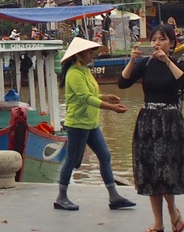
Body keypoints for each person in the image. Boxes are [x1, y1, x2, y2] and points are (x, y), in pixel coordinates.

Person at [116, 25, 184, 232]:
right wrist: (132, 61)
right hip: (149, 121)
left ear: (171, 43)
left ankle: (172, 209)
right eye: (154, 39)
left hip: (170, 123)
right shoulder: (145, 63)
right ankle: (158, 222)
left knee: (166, 170)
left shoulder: (177, 63)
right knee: (151, 171)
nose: (157, 43)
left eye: (162, 39)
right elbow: (122, 83)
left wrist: (167, 61)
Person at [53, 37, 135, 212]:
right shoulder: (74, 73)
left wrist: (105, 97)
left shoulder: (85, 71)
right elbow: (85, 98)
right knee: (72, 160)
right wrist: (111, 108)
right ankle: (61, 197)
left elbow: (91, 94)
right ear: (79, 54)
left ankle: (114, 196)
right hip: (78, 123)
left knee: (105, 156)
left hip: (91, 123)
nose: (92, 54)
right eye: (89, 52)